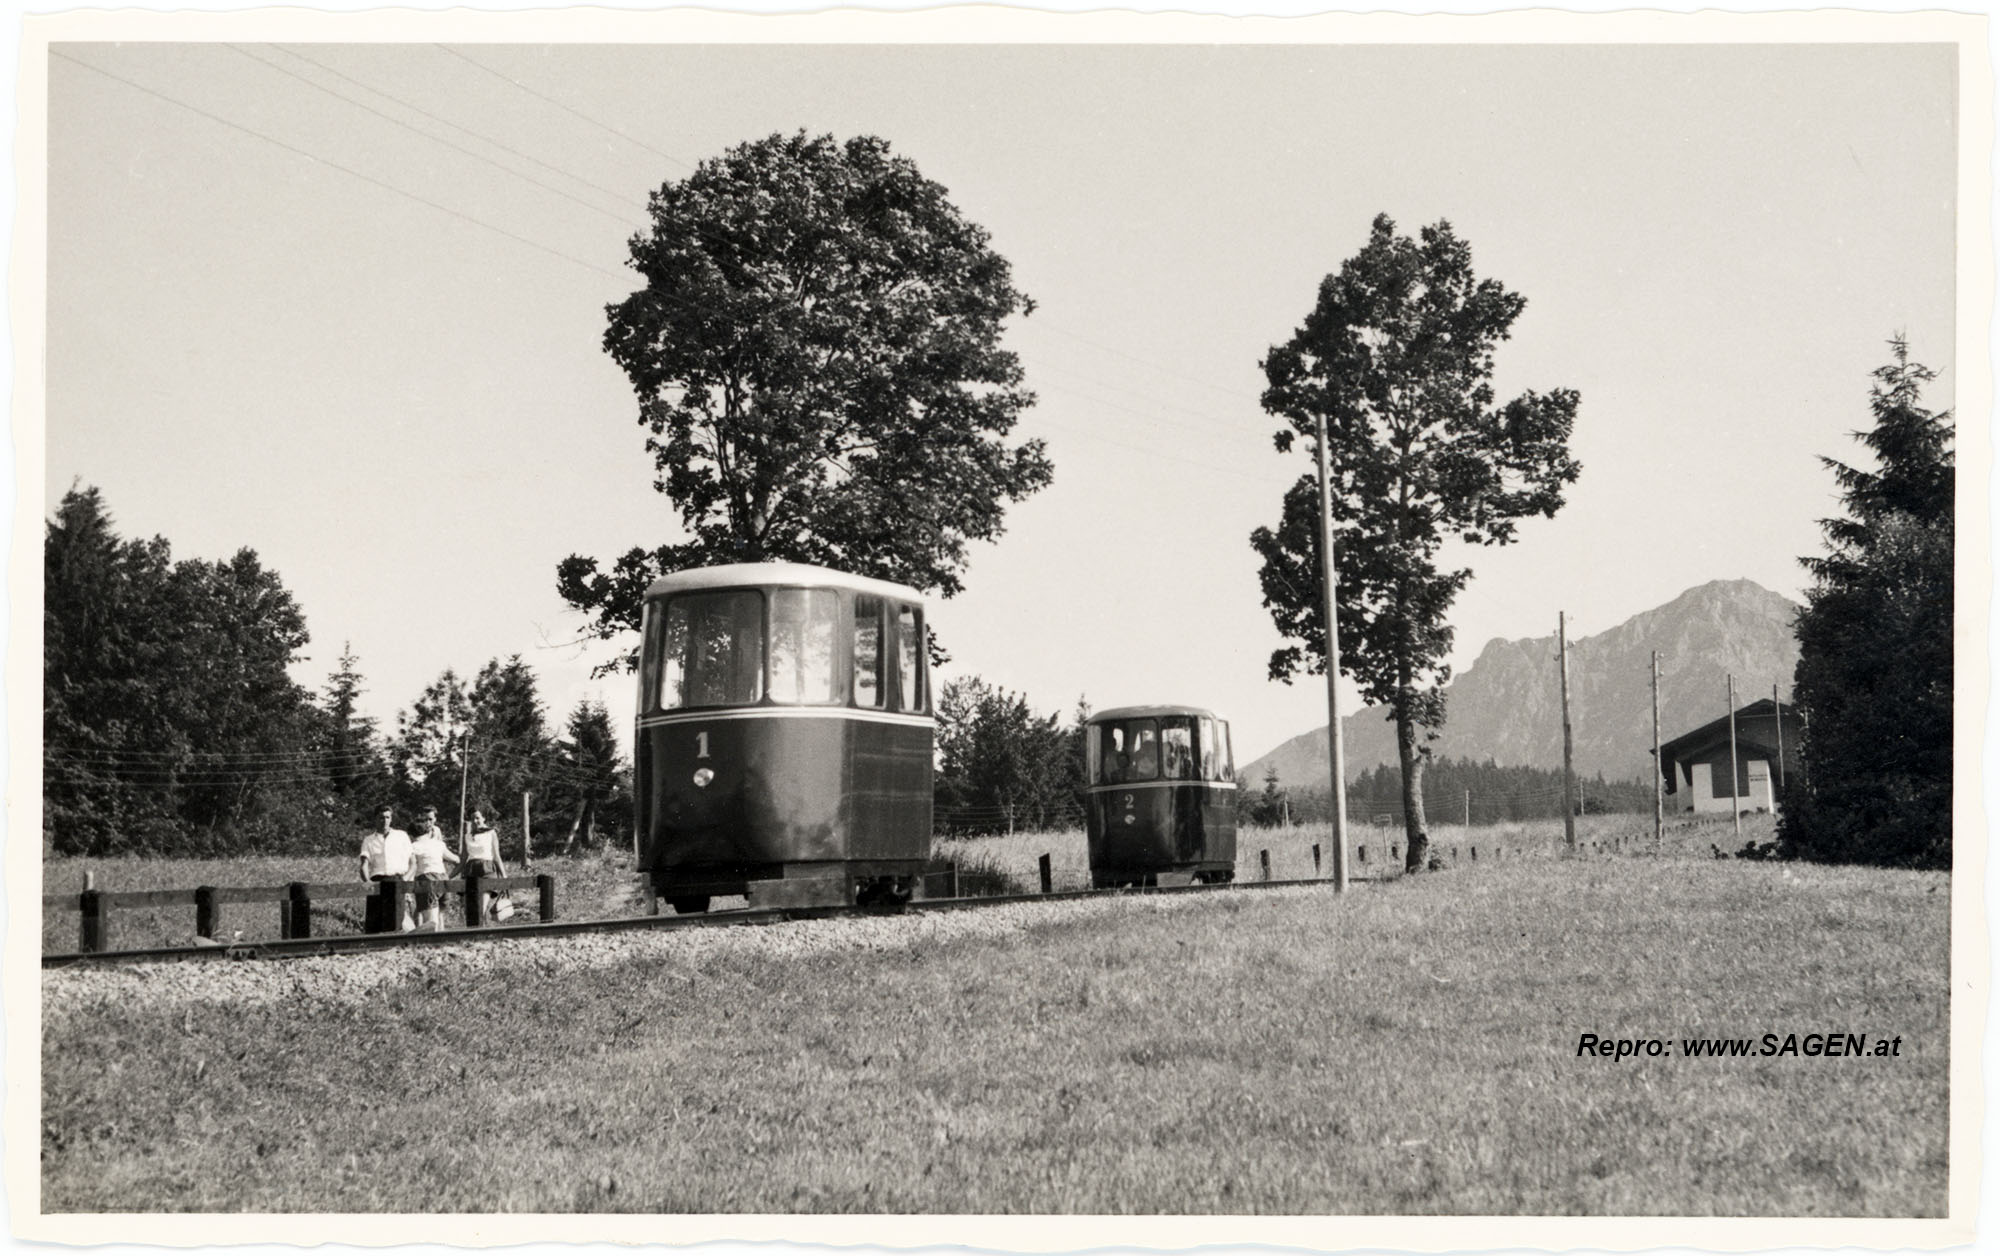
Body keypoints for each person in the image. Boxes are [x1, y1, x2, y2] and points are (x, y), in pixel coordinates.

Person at [357, 805, 413, 932]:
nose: (385, 820)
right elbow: (364, 864)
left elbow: (413, 863)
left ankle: (394, 945)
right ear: (375, 819)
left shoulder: (401, 836)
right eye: (381, 818)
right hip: (377, 880)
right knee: (374, 920)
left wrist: (404, 880)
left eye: (387, 817)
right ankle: (374, 946)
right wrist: (368, 882)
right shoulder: (369, 840)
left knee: (395, 919)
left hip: (397, 879)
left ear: (391, 819)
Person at [407, 806, 461, 932]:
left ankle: (430, 944)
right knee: (439, 916)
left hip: (427, 880)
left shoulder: (413, 847)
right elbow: (456, 860)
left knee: (431, 922)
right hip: (443, 879)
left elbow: (410, 867)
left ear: (412, 834)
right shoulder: (439, 844)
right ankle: (441, 941)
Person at [461, 805, 509, 923]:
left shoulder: (491, 833)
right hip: (471, 871)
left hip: (487, 869)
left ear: (483, 818)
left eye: (477, 818)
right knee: (470, 908)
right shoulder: (467, 836)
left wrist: (503, 875)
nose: (475, 821)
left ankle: (481, 933)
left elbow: (496, 855)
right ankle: (473, 934)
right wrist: (450, 876)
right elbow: (463, 859)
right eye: (472, 818)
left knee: (481, 907)